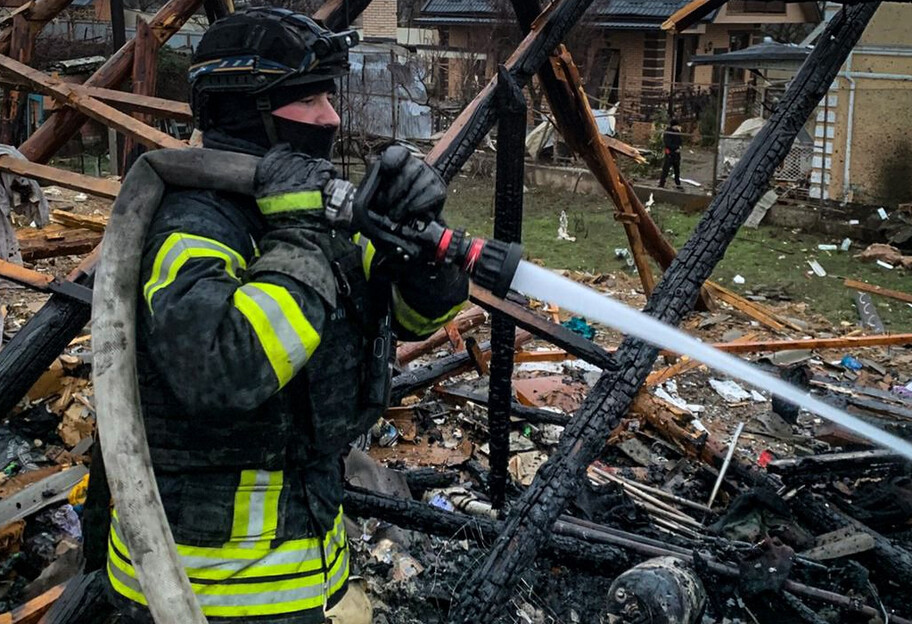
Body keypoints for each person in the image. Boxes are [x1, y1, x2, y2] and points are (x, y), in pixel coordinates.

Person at [103, 8, 468, 623]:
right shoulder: (193, 226)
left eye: (329, 96)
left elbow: (407, 321)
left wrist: (424, 255)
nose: (331, 117)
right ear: (247, 110)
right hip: (200, 590)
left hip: (302, 574)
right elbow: (224, 370)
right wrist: (299, 234)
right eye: (308, 99)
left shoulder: (312, 212)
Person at [658, 118, 684, 190]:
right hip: (670, 153)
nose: (678, 127)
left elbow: (680, 141)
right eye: (676, 126)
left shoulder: (677, 132)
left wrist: (679, 147)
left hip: (677, 154)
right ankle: (661, 183)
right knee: (666, 169)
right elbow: (668, 144)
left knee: (677, 170)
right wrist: (675, 148)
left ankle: (678, 183)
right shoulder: (668, 133)